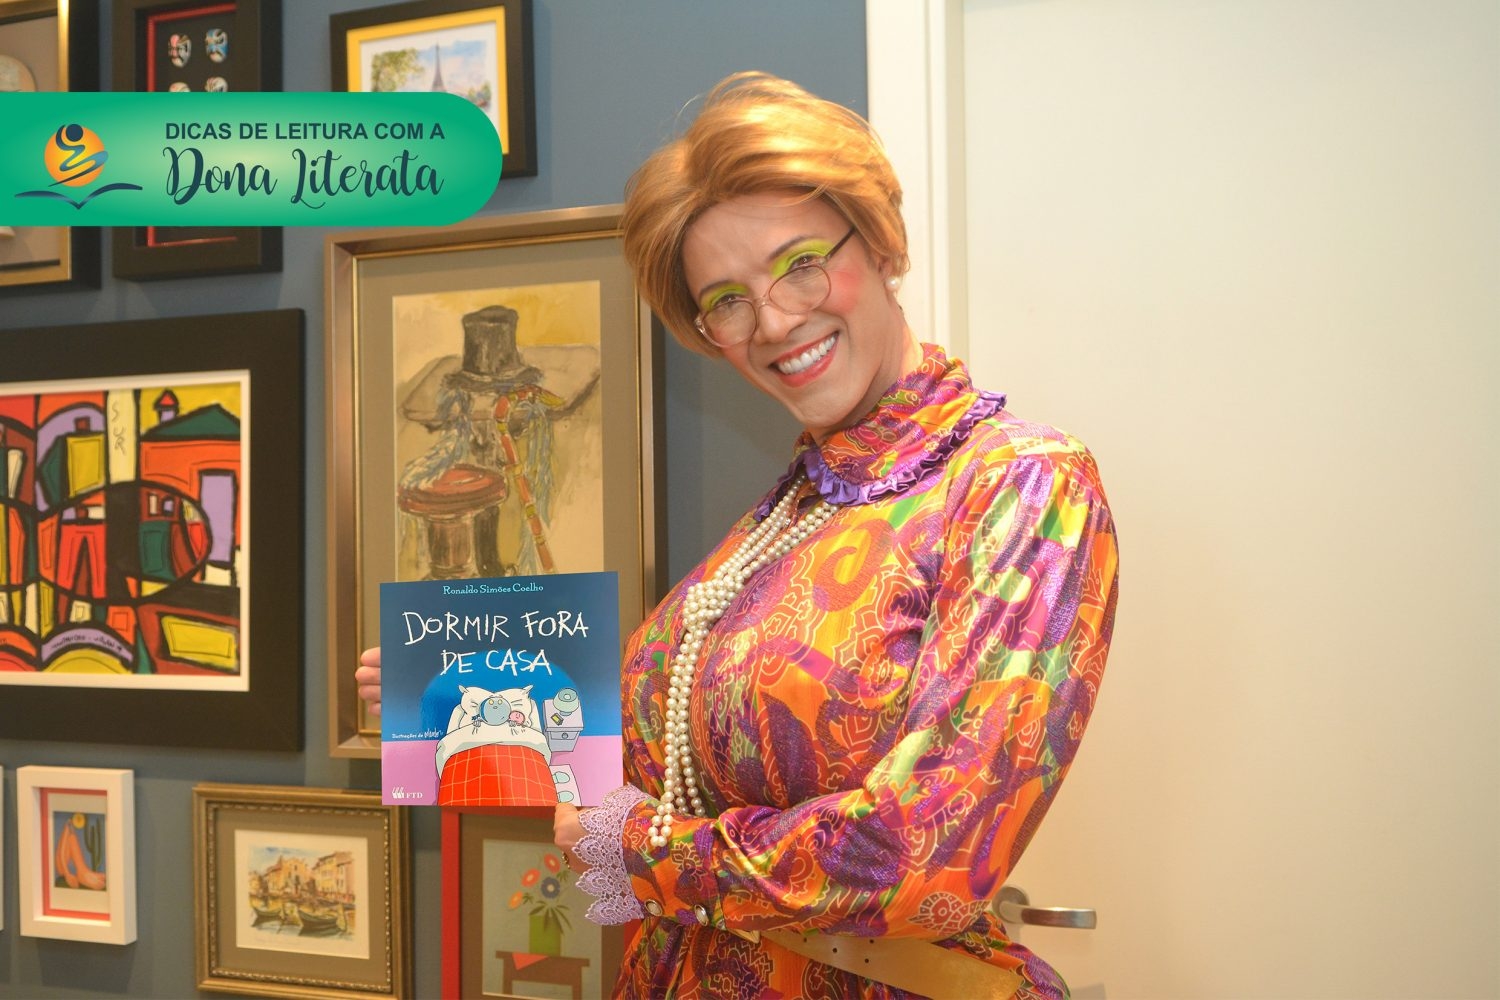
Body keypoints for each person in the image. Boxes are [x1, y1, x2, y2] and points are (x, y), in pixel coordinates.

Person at [358, 71, 1119, 999]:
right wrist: (467, 693)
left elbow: (925, 858)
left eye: (800, 263)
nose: (774, 321)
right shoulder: (791, 510)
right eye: (726, 299)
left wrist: (640, 848)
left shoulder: (1020, 482)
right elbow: (684, 772)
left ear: (880, 240)